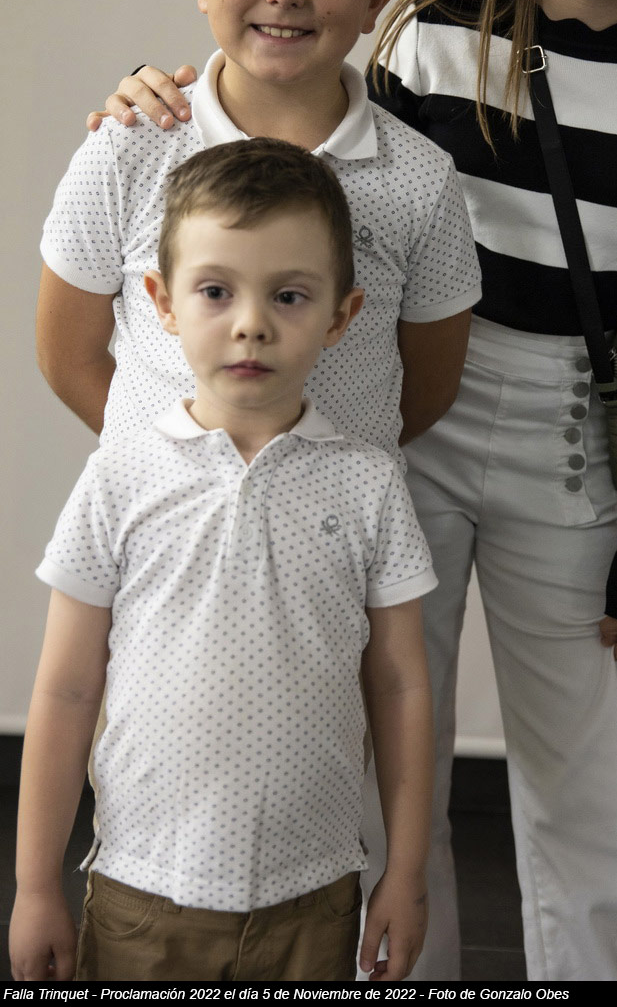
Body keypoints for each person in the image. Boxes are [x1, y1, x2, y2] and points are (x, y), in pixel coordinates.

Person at [37, 0, 480, 980]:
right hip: (170, 567)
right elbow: (70, 354)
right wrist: (182, 465)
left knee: (349, 839)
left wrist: (312, 471)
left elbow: (426, 382)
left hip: (338, 557)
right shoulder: (130, 146)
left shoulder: (420, 185)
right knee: (156, 841)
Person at [10, 139, 437, 983]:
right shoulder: (120, 477)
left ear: (341, 316)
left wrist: (408, 872)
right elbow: (64, 691)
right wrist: (32, 889)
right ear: (162, 302)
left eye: (289, 295)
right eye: (216, 291)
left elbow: (399, 687)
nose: (251, 323)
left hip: (316, 893)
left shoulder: (369, 485)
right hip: (141, 892)